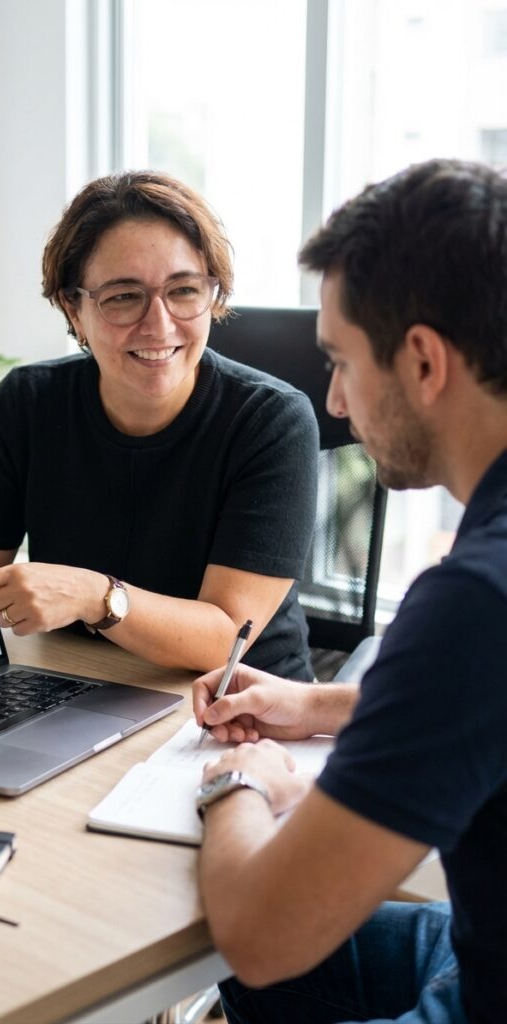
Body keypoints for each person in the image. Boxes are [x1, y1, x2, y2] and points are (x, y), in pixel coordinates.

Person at [194, 159, 507, 1024]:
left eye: (338, 361)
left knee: (250, 953)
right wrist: (324, 704)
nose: (332, 399)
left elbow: (261, 934)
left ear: (422, 360)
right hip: (474, 946)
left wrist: (240, 784)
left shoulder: (476, 599)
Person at [0, 171, 318, 677]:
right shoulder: (27, 403)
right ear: (74, 309)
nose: (159, 326)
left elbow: (223, 638)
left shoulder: (272, 421)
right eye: (123, 297)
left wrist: (96, 595)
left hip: (237, 706)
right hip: (77, 683)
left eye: (184, 291)